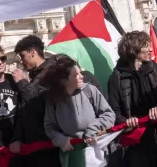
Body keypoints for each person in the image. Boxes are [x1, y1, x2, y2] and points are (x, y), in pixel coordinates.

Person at [10, 35, 101, 167]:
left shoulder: (52, 74)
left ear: (33, 52)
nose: (21, 62)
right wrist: (17, 138)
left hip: (50, 146)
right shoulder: (34, 77)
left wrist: (22, 82)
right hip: (33, 148)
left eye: (22, 56)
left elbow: (38, 103)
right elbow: (23, 111)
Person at [107, 31, 157, 167]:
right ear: (134, 50)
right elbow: (114, 111)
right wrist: (127, 121)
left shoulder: (156, 69)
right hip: (136, 142)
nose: (150, 49)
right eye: (146, 46)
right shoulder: (116, 78)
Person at [42, 55, 115, 150]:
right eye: (76, 75)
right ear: (64, 82)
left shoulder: (90, 90)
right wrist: (61, 140)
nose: (82, 77)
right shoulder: (53, 100)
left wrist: (93, 129)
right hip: (71, 152)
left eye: (80, 72)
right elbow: (50, 127)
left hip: (95, 149)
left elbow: (109, 114)